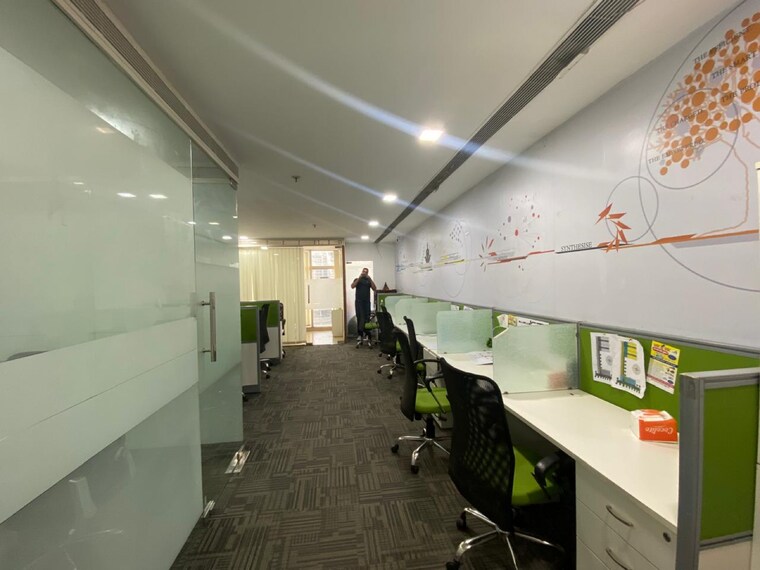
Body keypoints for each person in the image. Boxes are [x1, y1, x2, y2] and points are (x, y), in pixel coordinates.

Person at [351, 267, 376, 345]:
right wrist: (359, 277)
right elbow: (352, 286)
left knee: (367, 318)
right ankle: (360, 335)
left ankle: (367, 334)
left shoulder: (368, 280)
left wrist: (370, 279)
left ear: (367, 273)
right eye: (363, 271)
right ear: (361, 272)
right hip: (359, 302)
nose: (364, 273)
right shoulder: (357, 279)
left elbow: (374, 288)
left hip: (366, 302)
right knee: (360, 318)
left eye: (366, 272)